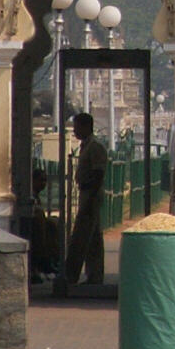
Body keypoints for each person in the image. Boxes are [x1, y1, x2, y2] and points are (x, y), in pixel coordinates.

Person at [63, 112, 109, 286]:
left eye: (76, 127)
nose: (74, 131)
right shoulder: (85, 146)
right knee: (93, 239)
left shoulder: (95, 147)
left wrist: (90, 199)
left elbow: (98, 173)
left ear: (85, 127)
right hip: (87, 193)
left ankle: (72, 275)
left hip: (91, 194)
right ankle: (94, 275)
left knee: (82, 237)